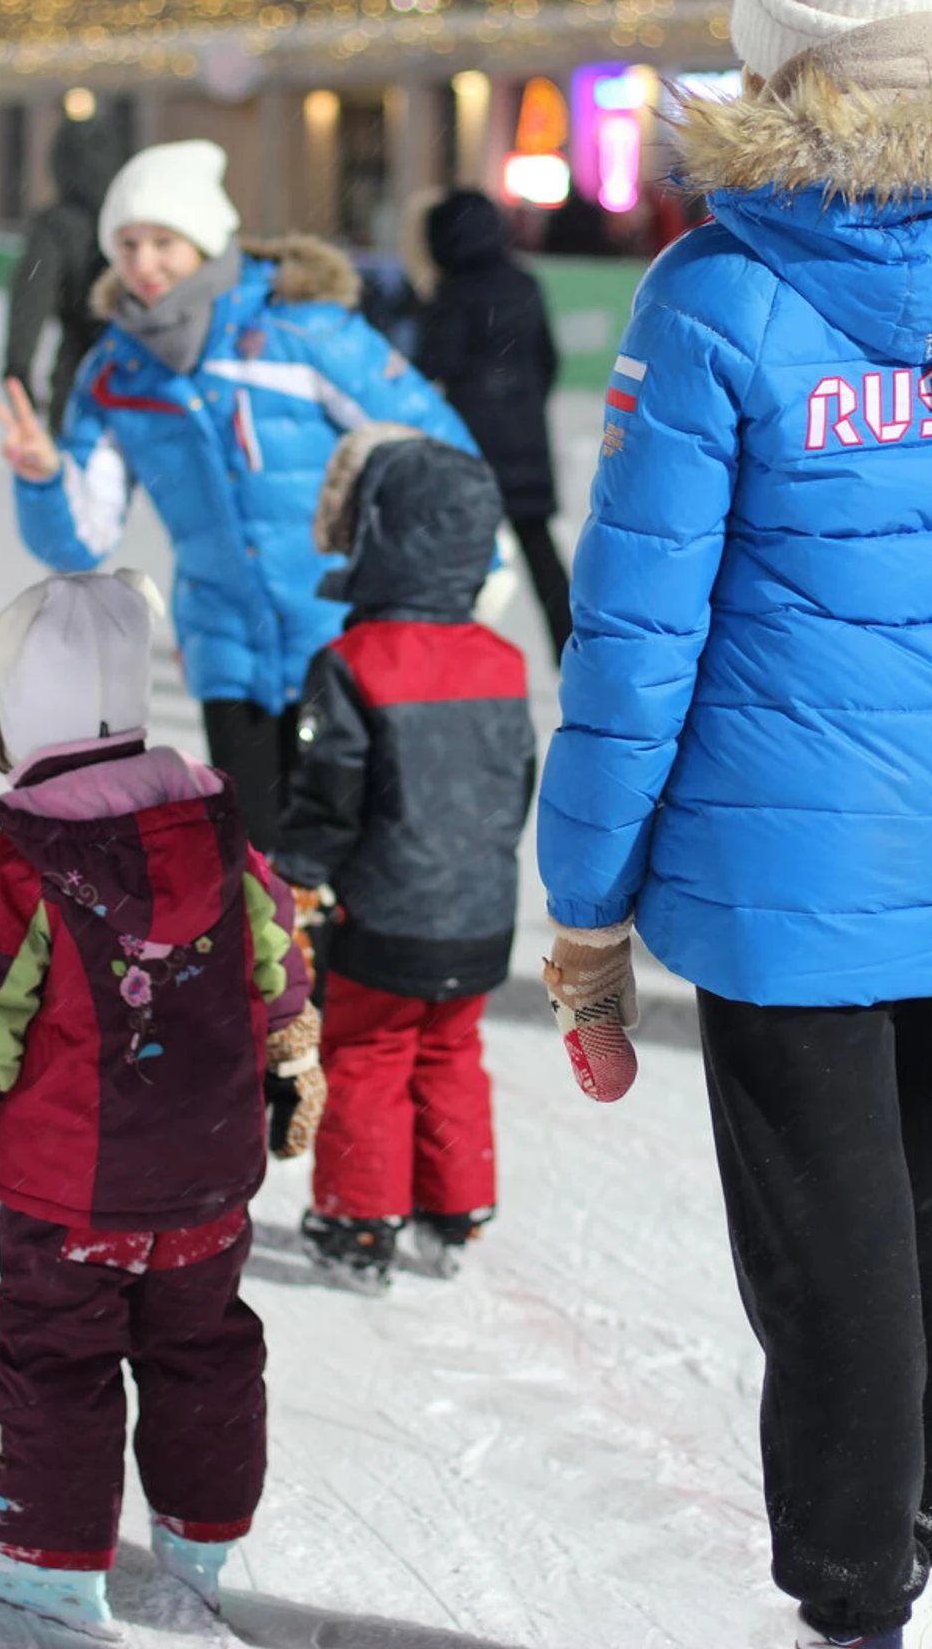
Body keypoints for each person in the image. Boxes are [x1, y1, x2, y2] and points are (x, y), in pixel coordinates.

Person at [535, 0, 932, 1649]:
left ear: (774, 67)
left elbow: (632, 640)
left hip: (782, 879)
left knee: (832, 1259)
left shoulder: (711, 298)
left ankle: (856, 1584)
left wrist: (584, 913)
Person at [0, 569, 324, 1643]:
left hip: (72, 1190)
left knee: (57, 1355)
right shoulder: (220, 832)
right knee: (205, 1342)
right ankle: (204, 1526)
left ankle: (45, 1557)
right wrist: (294, 1057)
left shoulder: (21, 865)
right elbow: (279, 956)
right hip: (212, 1170)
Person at [0, 138, 475, 853]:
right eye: (126, 244)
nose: (143, 263)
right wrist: (40, 476)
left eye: (162, 241)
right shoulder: (115, 372)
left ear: (205, 238)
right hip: (225, 645)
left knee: (352, 845)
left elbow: (435, 451)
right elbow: (78, 541)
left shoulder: (301, 329)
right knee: (257, 858)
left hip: (338, 630)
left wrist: (472, 569)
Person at [274, 425, 536, 1291]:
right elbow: (512, 783)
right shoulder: (501, 662)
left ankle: (359, 1220)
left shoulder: (351, 664)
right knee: (450, 1051)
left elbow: (329, 790)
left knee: (369, 1054)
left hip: (387, 917)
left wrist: (299, 871)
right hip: (478, 915)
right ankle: (453, 1208)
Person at [417, 189, 572, 661]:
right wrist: (521, 406)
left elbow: (435, 363)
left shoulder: (454, 292)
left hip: (472, 444)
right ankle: (570, 653)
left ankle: (450, 657)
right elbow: (548, 360)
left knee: (460, 558)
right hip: (524, 439)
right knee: (541, 556)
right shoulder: (524, 283)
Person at [2, 110, 126, 433]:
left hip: (80, 371)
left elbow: (31, 296)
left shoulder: (55, 227)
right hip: (141, 371)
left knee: (75, 470)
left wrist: (18, 366)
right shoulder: (136, 224)